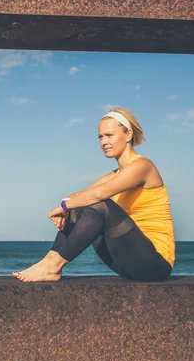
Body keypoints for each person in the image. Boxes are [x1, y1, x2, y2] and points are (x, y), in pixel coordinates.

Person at [13, 107, 175, 282]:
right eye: (100, 137)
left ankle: (54, 266)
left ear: (128, 135)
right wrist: (66, 207)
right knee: (79, 208)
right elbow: (81, 195)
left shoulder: (143, 166)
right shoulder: (115, 174)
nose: (103, 142)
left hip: (155, 263)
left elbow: (98, 195)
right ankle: (47, 263)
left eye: (109, 135)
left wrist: (62, 207)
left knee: (98, 205)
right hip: (127, 262)